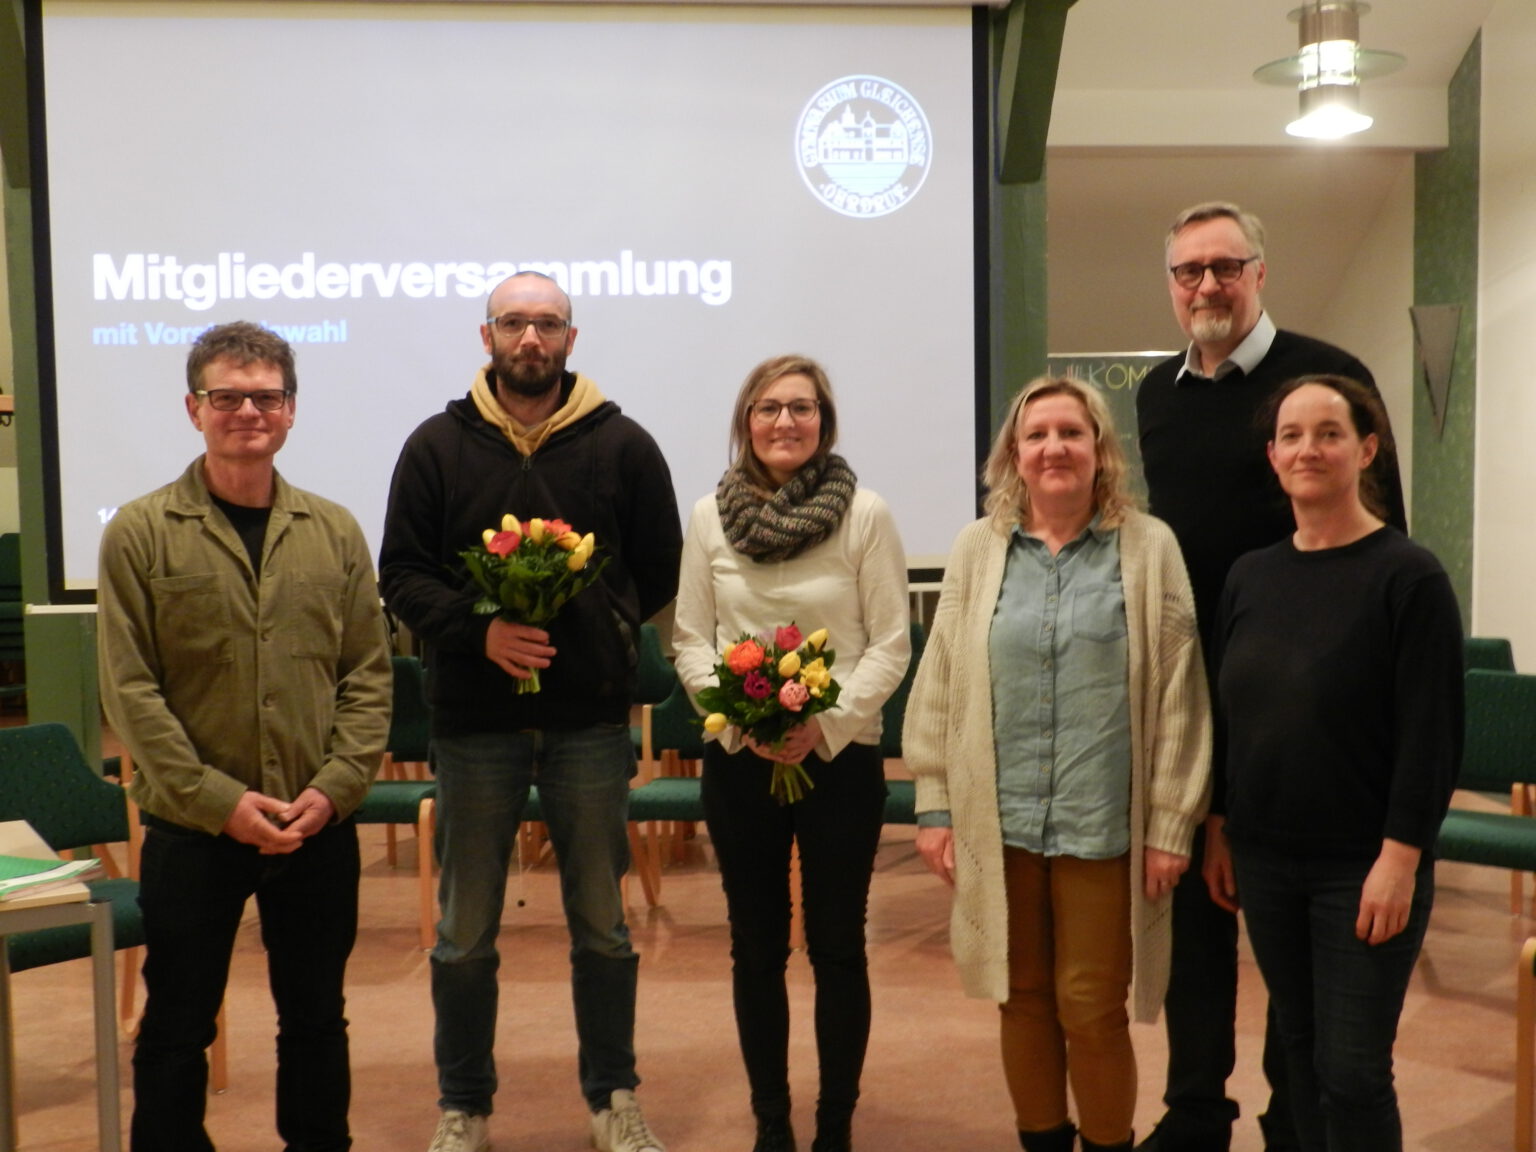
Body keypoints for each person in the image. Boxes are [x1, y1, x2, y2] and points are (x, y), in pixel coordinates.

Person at [379, 271, 681, 1152]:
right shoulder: (436, 446)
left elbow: (654, 572)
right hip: (474, 724)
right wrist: (483, 632)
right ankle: (463, 1105)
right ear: (487, 338)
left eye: (548, 323)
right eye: (514, 322)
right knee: (464, 932)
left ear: (571, 340)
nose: (531, 338)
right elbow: (402, 573)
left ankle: (613, 1098)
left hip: (590, 722)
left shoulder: (624, 445)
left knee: (604, 924)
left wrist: (601, 629)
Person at [1134, 202, 1407, 1152]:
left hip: (1310, 697)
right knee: (1196, 923)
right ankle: (1195, 1109)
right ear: (1170, 286)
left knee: (1300, 934)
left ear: (1261, 272)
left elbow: (1385, 542)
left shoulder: (1328, 379)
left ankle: (1300, 1119)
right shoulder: (1156, 396)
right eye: (1186, 272)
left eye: (1224, 266)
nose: (1206, 285)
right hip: (1197, 686)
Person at [98, 321, 393, 1152]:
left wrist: (332, 791)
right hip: (195, 829)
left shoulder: (334, 532)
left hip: (313, 824)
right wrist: (220, 802)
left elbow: (369, 676)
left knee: (314, 1021)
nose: (246, 412)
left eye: (265, 397)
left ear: (291, 411)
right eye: (226, 397)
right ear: (194, 409)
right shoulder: (140, 531)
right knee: (177, 1023)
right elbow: (130, 688)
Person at [903, 376, 1212, 1152]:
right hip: (996, 818)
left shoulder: (1149, 548)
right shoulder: (979, 550)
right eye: (1036, 435)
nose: (1054, 448)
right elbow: (941, 678)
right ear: (1013, 453)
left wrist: (1173, 823)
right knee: (1021, 998)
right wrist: (935, 805)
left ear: (1101, 450)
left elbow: (1180, 693)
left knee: (1090, 1005)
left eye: (1071, 433)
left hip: (1102, 822)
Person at [1211, 375, 1462, 1150]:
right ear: (1272, 455)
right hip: (1263, 855)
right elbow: (1232, 717)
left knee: (1353, 1071)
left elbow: (1432, 737)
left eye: (1328, 432)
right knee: (1299, 1053)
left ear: (1367, 448)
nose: (1308, 449)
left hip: (1363, 865)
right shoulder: (1251, 575)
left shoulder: (1408, 577)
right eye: (1291, 435)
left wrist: (1401, 859)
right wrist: (1221, 824)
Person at [672, 354, 911, 1152]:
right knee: (756, 948)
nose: (785, 423)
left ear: (824, 421)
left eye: (802, 409)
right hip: (742, 758)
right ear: (747, 421)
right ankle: (771, 1123)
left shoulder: (865, 514)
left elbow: (889, 644)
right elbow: (690, 641)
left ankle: (834, 1125)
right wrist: (742, 720)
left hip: (840, 758)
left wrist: (824, 724)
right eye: (769, 408)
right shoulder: (709, 515)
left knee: (839, 946)